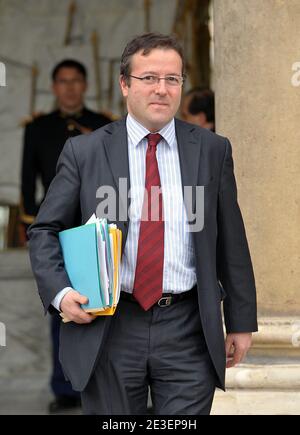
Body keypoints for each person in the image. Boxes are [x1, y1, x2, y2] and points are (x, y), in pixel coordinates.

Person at [28, 33, 257, 415]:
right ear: (124, 84)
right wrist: (61, 292)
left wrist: (240, 320)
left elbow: (231, 239)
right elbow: (44, 230)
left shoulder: (212, 149)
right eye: (149, 78)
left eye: (172, 79)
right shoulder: (85, 152)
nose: (161, 89)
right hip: (112, 327)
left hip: (189, 328)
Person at [21, 59, 111, 413]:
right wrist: (34, 227)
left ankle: (106, 379)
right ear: (54, 86)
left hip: (97, 225)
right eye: (63, 81)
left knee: (104, 301)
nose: (70, 87)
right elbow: (28, 182)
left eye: (76, 80)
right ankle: (65, 386)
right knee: (61, 301)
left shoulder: (103, 124)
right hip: (57, 228)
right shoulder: (38, 128)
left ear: (85, 85)